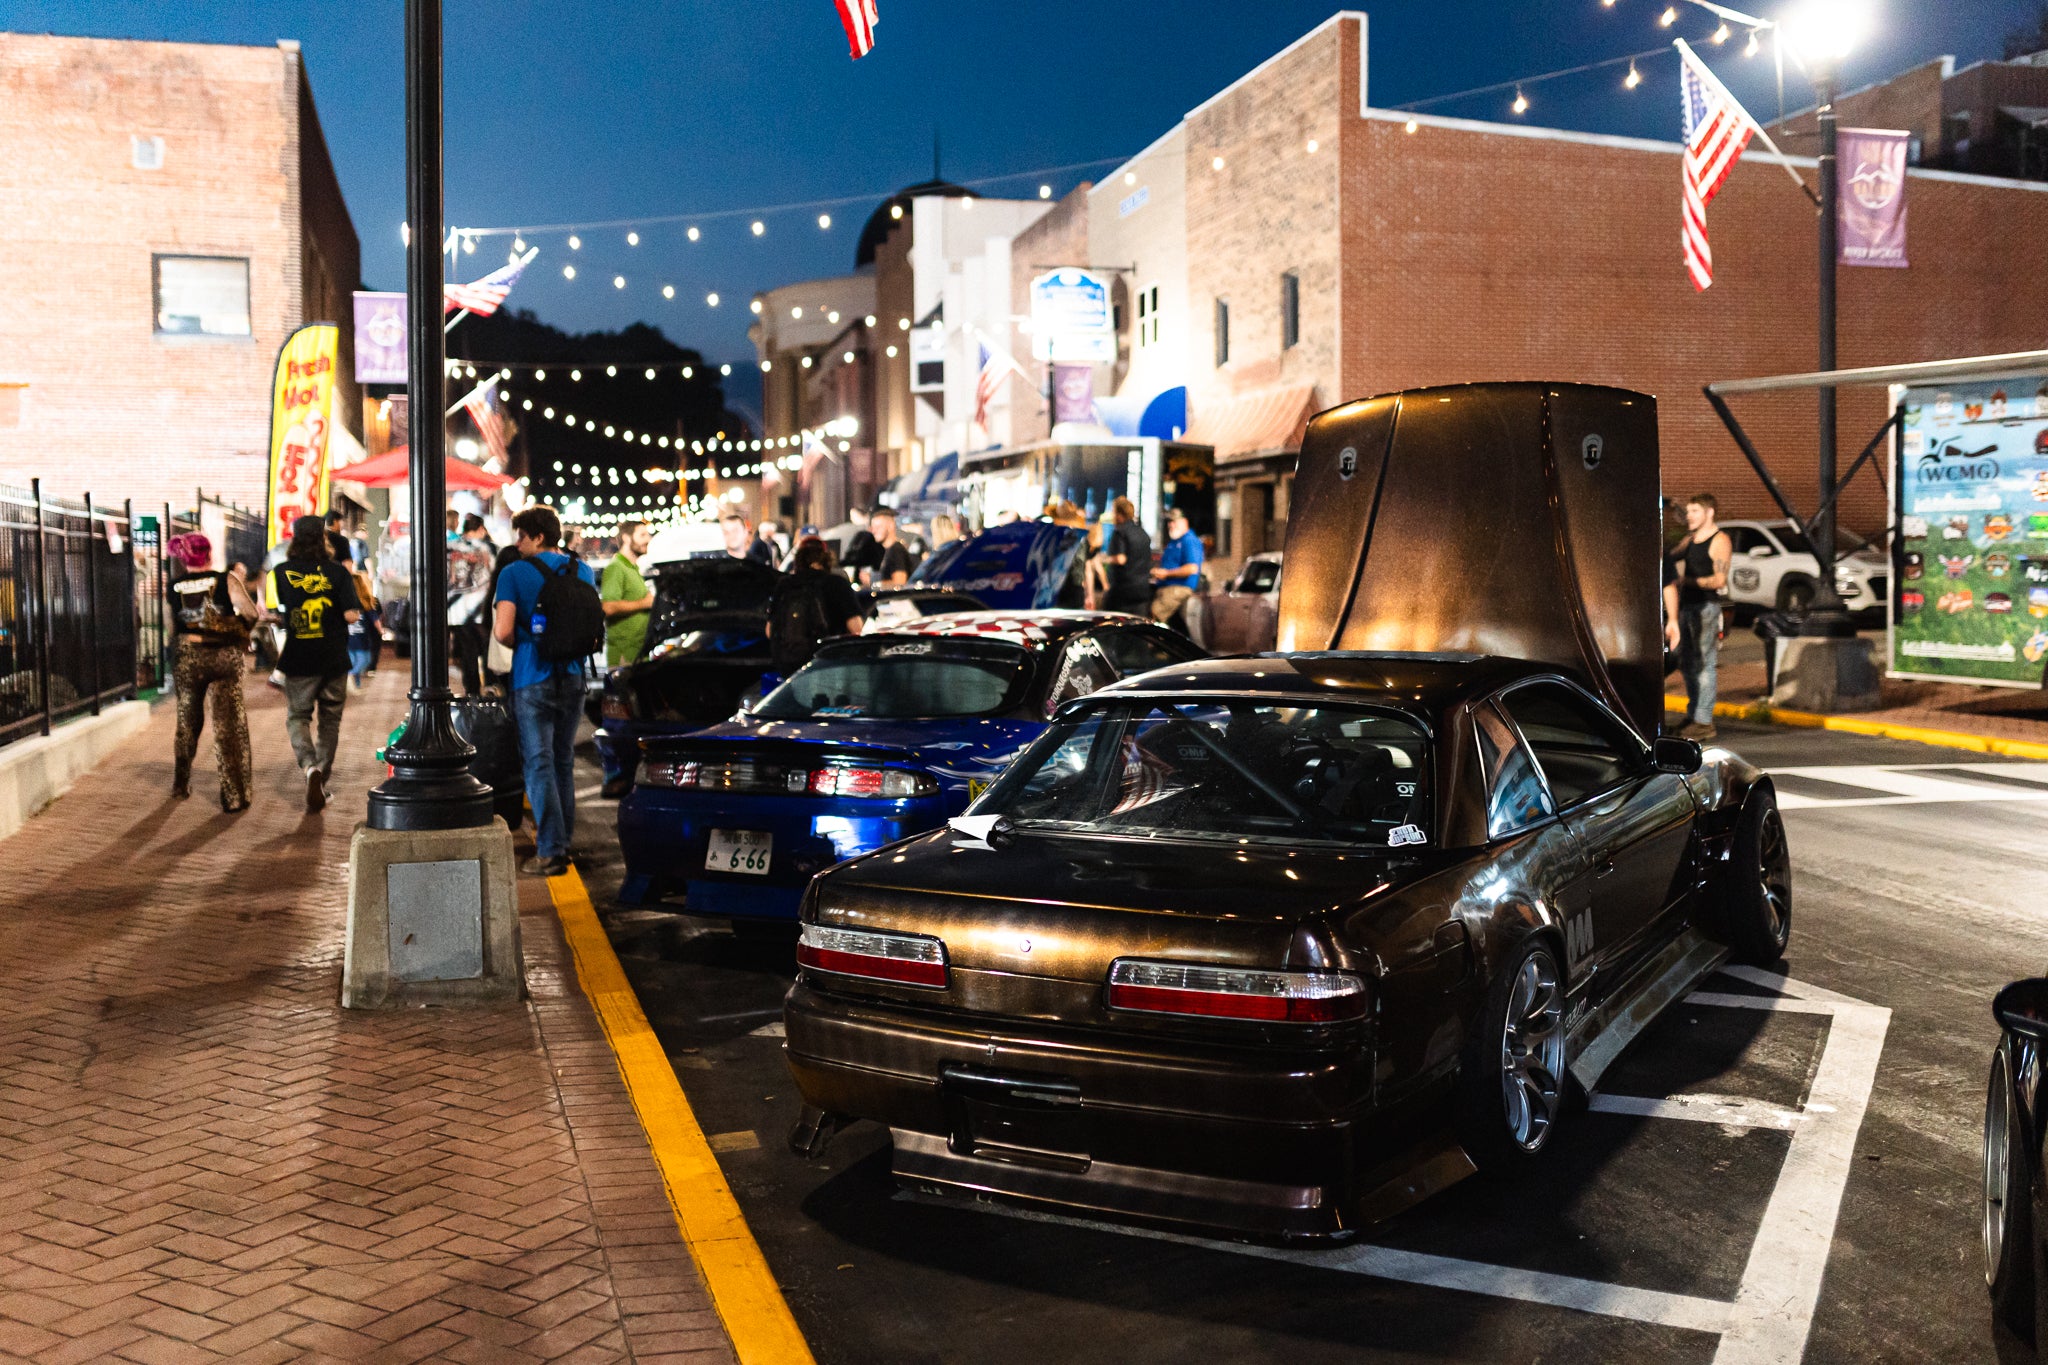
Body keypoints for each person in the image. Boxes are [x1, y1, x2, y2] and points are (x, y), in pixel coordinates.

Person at [494, 505, 600, 877]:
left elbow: (503, 631)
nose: (517, 543)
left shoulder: (512, 573)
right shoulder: (582, 570)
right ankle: (562, 842)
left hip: (532, 676)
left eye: (522, 536)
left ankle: (551, 850)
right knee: (562, 762)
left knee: (538, 764)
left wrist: (528, 642)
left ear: (538, 537)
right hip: (573, 676)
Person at [272, 515, 359, 813]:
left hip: (298, 656)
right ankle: (321, 775)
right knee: (330, 720)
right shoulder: (338, 572)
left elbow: (281, 609)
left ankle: (309, 767)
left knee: (298, 716)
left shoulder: (281, 572)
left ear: (295, 539)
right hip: (333, 656)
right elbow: (351, 615)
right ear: (323, 539)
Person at [166, 533, 261, 810]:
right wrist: (239, 631)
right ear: (208, 554)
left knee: (187, 720)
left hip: (189, 655)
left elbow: (171, 627)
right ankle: (234, 795)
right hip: (223, 655)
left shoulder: (173, 586)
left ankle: (181, 783)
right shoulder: (225, 579)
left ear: (183, 559)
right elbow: (251, 613)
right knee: (229, 725)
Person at [1666, 493, 1732, 741]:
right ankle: (1694, 716)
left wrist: (1687, 581)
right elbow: (1668, 557)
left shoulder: (1720, 540)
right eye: (1688, 511)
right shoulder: (1691, 539)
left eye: (1694, 511)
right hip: (1687, 608)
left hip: (1705, 608)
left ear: (1709, 512)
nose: (1689, 516)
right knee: (1688, 664)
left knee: (1704, 663)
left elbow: (1719, 580)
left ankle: (1704, 722)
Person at [767, 538, 864, 677]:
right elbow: (856, 629)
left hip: (791, 671)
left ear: (798, 559)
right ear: (826, 558)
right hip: (828, 668)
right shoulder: (837, 583)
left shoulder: (784, 585)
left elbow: (769, 631)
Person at [448, 513, 496, 695]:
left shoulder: (451, 547)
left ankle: (472, 692)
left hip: (458, 611)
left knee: (468, 652)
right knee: (487, 649)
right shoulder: (489, 548)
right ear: (481, 529)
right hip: (483, 609)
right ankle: (490, 687)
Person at [601, 519, 657, 670]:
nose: (648, 539)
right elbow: (608, 607)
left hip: (638, 654)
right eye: (642, 535)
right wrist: (644, 603)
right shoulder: (616, 567)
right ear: (626, 538)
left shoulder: (633, 568)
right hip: (624, 657)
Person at [1149, 506, 1205, 632]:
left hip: (1179, 588)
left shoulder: (1189, 540)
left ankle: (1158, 643)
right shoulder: (1174, 541)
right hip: (1165, 587)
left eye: (1174, 521)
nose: (1171, 525)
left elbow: (1192, 568)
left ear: (1184, 521)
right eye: (1169, 522)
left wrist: (1167, 574)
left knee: (1155, 613)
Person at [1098, 497, 1154, 614]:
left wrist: (1103, 559)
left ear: (1119, 514)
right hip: (1142, 590)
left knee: (1111, 620)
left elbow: (1120, 559)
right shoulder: (1143, 533)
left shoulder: (1120, 532)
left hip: (1122, 591)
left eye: (1114, 512)